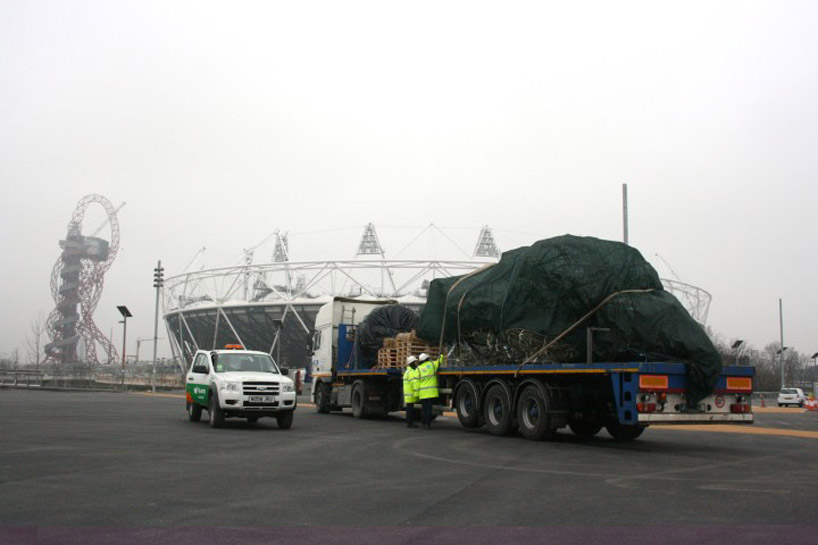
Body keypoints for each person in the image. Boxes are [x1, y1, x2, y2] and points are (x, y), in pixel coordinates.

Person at [416, 352, 442, 429]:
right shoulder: (432, 365)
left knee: (423, 408)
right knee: (428, 408)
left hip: (423, 392)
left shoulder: (418, 369)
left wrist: (417, 392)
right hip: (430, 392)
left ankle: (423, 423)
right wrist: (441, 355)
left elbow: (417, 381)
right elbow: (440, 361)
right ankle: (428, 424)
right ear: (427, 359)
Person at [403, 355, 420, 428]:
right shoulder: (411, 372)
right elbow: (414, 384)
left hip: (408, 394)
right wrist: (417, 393)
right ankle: (410, 423)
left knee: (409, 408)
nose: (416, 364)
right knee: (410, 409)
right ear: (412, 363)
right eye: (415, 362)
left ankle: (409, 422)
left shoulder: (407, 371)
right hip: (411, 394)